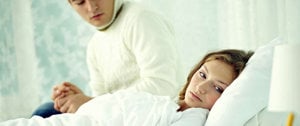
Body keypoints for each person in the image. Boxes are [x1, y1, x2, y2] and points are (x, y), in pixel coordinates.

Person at [1, 49, 254, 126]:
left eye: (218, 89)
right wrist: (84, 101)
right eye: (202, 74)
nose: (202, 87)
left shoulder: (194, 117)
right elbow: (117, 105)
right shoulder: (168, 104)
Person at [32, 0, 185, 118]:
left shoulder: (141, 19)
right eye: (80, 2)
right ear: (71, 5)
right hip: (122, 116)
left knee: (45, 113)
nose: (92, 7)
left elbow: (163, 86)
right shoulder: (95, 45)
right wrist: (79, 99)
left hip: (152, 115)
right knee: (48, 111)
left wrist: (92, 103)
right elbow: (103, 101)